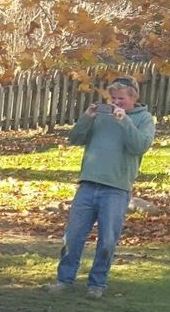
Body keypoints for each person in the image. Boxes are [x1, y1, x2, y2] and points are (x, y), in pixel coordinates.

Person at [47, 76, 156, 297]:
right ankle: (64, 281)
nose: (116, 102)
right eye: (113, 98)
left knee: (107, 239)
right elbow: (75, 138)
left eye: (121, 99)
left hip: (116, 188)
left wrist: (124, 121)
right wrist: (87, 118)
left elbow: (139, 147)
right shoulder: (101, 116)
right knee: (73, 236)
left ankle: (97, 284)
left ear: (133, 97)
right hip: (88, 184)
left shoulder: (144, 119)